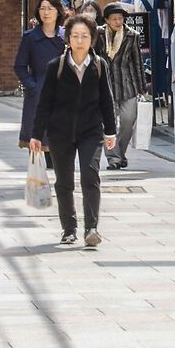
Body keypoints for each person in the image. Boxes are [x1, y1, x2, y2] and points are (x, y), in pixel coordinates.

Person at [26, 15, 117, 247]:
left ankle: (92, 229)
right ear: (67, 39)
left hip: (91, 132)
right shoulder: (55, 66)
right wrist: (36, 135)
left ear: (92, 40)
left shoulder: (99, 65)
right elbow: (44, 103)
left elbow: (107, 100)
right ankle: (69, 229)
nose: (80, 40)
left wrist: (110, 131)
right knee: (64, 181)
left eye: (84, 36)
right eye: (75, 36)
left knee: (90, 176)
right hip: (60, 133)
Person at [12, 0, 65, 151]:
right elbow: (19, 66)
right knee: (37, 140)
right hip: (38, 89)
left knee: (60, 136)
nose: (46, 12)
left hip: (62, 90)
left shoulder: (66, 36)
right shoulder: (30, 37)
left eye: (50, 8)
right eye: (42, 8)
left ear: (58, 12)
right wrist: (32, 86)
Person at [100, 4, 145, 170]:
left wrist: (142, 87)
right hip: (105, 85)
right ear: (106, 20)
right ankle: (114, 158)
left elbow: (137, 62)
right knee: (108, 123)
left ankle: (119, 153)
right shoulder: (98, 34)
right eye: (114, 19)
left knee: (128, 120)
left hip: (127, 84)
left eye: (120, 18)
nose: (118, 22)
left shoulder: (132, 36)